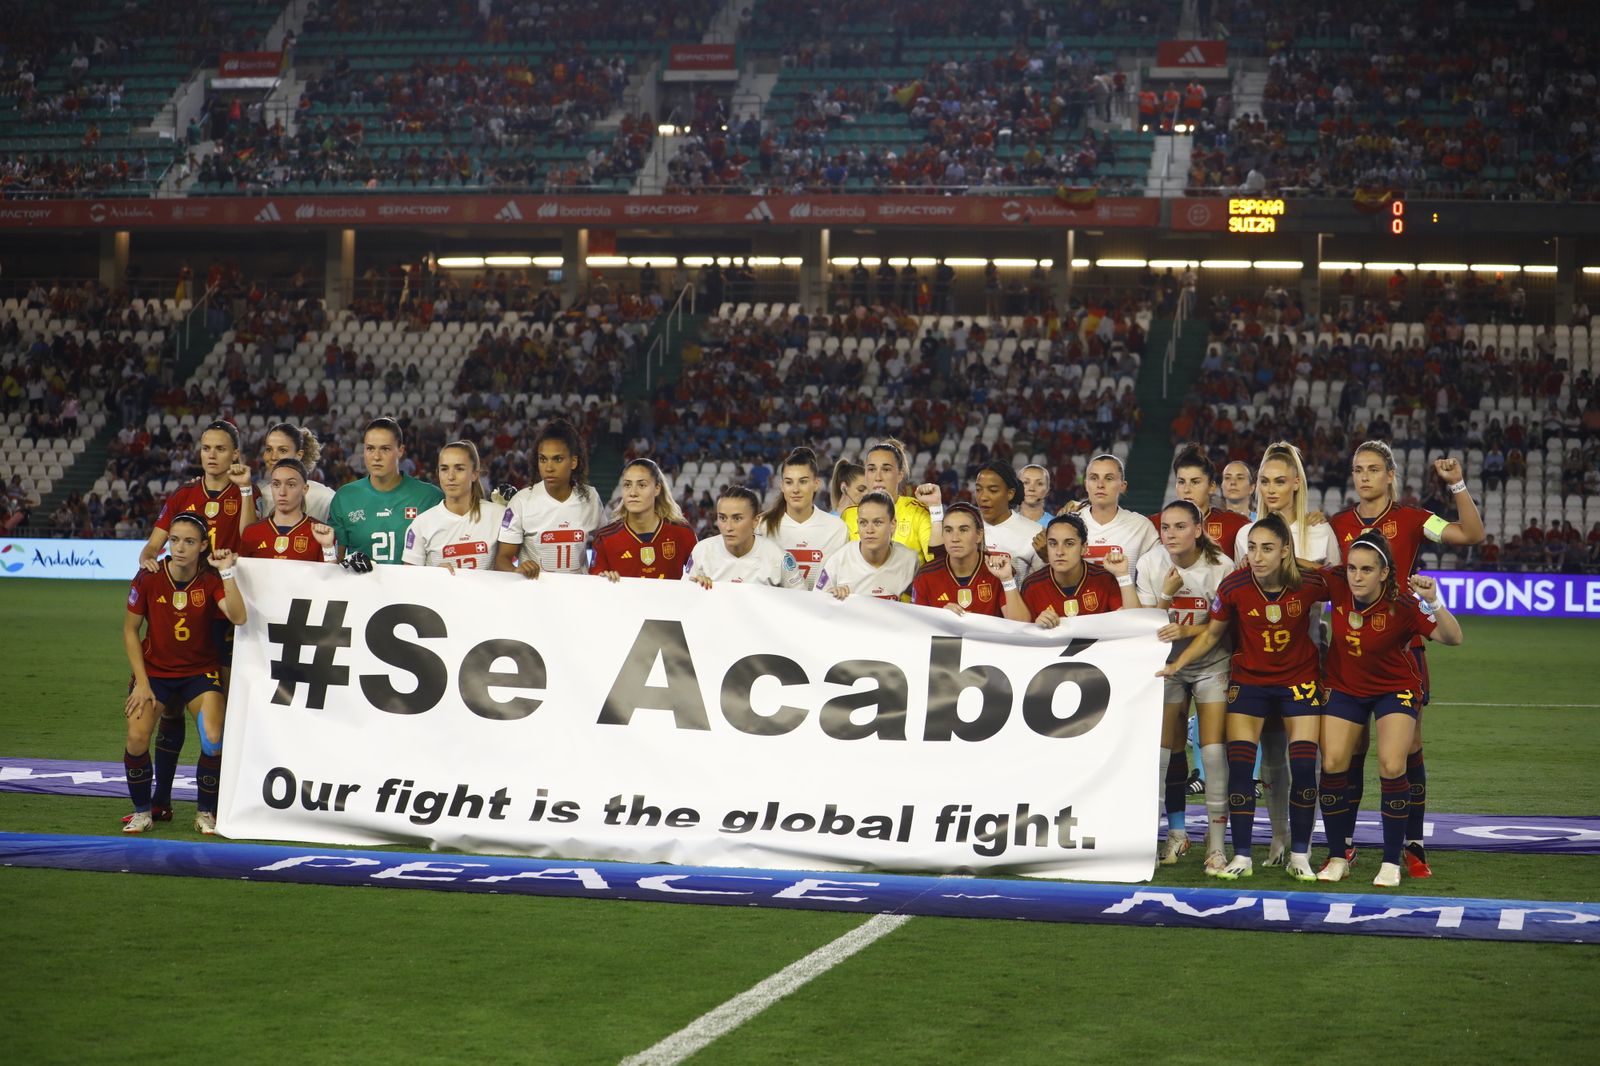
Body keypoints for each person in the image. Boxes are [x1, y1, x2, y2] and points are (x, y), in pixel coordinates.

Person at [1328, 442, 1484, 876]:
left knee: (1407, 747)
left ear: (1390, 475)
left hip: (1404, 645)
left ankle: (1412, 844)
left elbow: (1471, 535)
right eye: (1358, 469)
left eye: (1373, 469)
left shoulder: (1414, 520)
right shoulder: (1337, 524)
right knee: (1349, 748)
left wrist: (1457, 485)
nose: (1364, 477)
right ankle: (1344, 843)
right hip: (1352, 651)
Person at [1159, 515, 1330, 881]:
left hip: (1298, 683)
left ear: (1286, 551)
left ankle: (1300, 854)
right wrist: (1178, 664)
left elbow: (1352, 582)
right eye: (1252, 548)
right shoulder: (1234, 585)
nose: (1257, 556)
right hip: (1249, 684)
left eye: (1267, 548)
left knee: (1302, 768)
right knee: (1240, 767)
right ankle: (1241, 856)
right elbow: (1211, 634)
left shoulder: (1311, 582)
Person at [1317, 533, 1463, 887]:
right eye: (1352, 568)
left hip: (1394, 689)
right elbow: (1297, 571)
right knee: (1333, 762)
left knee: (1392, 764)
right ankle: (1338, 856)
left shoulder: (1404, 603)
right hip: (1345, 687)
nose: (1357, 576)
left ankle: (1390, 861)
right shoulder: (1335, 583)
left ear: (1384, 573)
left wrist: (1434, 601)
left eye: (1366, 569)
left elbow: (1452, 637)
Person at [1230, 441, 1340, 854]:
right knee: (1272, 754)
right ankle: (1278, 838)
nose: (1270, 489)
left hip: (1308, 656)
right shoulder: (1246, 534)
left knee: (1307, 758)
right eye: (1264, 481)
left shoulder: (1319, 532)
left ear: (1297, 483)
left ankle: (1307, 844)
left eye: (1279, 481)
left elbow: (1333, 588)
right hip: (1257, 659)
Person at [121, 512, 245, 835]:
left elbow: (239, 617)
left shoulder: (211, 579)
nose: (179, 548)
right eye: (174, 540)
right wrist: (142, 683)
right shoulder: (148, 576)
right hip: (156, 675)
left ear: (204, 545)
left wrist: (228, 573)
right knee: (136, 737)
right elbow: (130, 630)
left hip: (199, 675)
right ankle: (142, 812)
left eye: (189, 542)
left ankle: (205, 812)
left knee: (213, 740)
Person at [1135, 500, 1237, 871]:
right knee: (1165, 754)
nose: (1171, 534)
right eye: (1165, 527)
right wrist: (1165, 596)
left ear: (1198, 530)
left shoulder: (1220, 567)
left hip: (1211, 664)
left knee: (1211, 753)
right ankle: (1173, 835)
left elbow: (1222, 626)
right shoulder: (1150, 564)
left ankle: (1216, 844)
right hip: (1167, 668)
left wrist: (1186, 629)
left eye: (1180, 527)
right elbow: (1143, 624)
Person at [497, 420, 603, 578]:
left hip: (578, 595)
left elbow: (605, 547)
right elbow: (502, 559)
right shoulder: (521, 501)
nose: (549, 468)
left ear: (573, 462)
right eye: (543, 459)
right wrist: (515, 570)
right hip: (535, 596)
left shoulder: (590, 497)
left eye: (558, 459)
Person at [329, 417, 441, 566]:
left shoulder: (430, 497)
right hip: (361, 588)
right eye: (370, 448)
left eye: (385, 449)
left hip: (412, 588)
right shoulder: (344, 497)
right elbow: (335, 562)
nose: (376, 457)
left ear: (400, 451)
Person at [140, 419, 249, 570]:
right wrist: (147, 560)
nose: (212, 455)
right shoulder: (183, 494)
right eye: (206, 448)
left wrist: (246, 489)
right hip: (192, 587)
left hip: (232, 585)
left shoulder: (247, 492)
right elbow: (152, 546)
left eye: (220, 449)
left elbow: (251, 544)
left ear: (235, 454)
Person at [911, 502, 1030, 620]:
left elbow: (1021, 624)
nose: (955, 538)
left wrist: (1006, 579)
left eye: (963, 530)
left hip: (985, 639)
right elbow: (917, 628)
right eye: (948, 530)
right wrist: (940, 618)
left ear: (979, 535)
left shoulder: (998, 571)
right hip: (945, 639)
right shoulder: (926, 576)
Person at [591, 458, 698, 581]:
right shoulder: (604, 538)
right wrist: (604, 579)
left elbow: (700, 575)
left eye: (641, 485)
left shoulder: (682, 533)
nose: (633, 493)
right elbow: (595, 587)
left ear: (657, 488)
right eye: (627, 485)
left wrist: (700, 579)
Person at [402, 442, 502, 571]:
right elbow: (409, 580)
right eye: (444, 469)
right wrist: (433, 576)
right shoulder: (421, 525)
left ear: (474, 474)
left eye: (459, 469)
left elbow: (513, 563)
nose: (450, 477)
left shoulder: (499, 516)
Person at [759, 447, 849, 590]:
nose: (795, 489)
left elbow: (844, 579)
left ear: (816, 484)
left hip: (821, 611)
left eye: (803, 481)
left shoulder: (837, 528)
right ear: (782, 486)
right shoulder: (763, 526)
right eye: (789, 482)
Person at [685, 486, 805, 588]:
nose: (728, 527)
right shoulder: (701, 551)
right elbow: (684, 597)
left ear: (755, 521)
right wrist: (696, 590)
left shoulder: (778, 557)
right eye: (722, 518)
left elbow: (802, 601)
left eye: (737, 518)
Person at [1021, 513, 1127, 626]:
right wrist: (1035, 627)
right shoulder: (1032, 585)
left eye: (1069, 544)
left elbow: (1132, 624)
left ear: (1084, 548)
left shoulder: (1105, 579)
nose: (1059, 552)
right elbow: (1022, 634)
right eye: (1053, 544)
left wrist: (1123, 575)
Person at [1060, 454, 1159, 572]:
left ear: (1123, 486)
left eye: (1109, 478)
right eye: (1094, 478)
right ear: (1086, 485)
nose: (1100, 485)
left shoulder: (1140, 526)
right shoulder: (1067, 524)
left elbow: (1159, 570)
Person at [814, 491, 920, 601]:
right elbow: (817, 603)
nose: (869, 530)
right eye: (863, 523)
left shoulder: (910, 560)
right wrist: (831, 597)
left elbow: (919, 604)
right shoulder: (839, 559)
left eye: (877, 522)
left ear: (893, 524)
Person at [841, 439, 934, 562]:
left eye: (886, 470)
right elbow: (839, 564)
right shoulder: (849, 515)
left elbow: (937, 562)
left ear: (900, 475)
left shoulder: (917, 512)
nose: (878, 477)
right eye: (872, 469)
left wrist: (935, 508)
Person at [1158, 444, 1250, 562]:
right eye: (1181, 482)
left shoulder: (1236, 525)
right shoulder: (1154, 525)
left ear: (1211, 487)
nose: (1186, 489)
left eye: (1195, 482)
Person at [240, 459, 338, 562]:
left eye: (291, 485)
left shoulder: (322, 534)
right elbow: (243, 576)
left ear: (305, 489)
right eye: (276, 484)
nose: (282, 492)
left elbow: (330, 576)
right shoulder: (251, 532)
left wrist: (327, 546)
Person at [963, 461, 1042, 583]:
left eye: (993, 490)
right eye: (978, 489)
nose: (983, 497)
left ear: (1010, 494)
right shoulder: (961, 526)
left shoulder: (1035, 532)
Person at [252, 422, 335, 525]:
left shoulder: (325, 497)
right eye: (268, 449)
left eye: (282, 450)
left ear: (298, 455)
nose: (273, 457)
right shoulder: (260, 495)